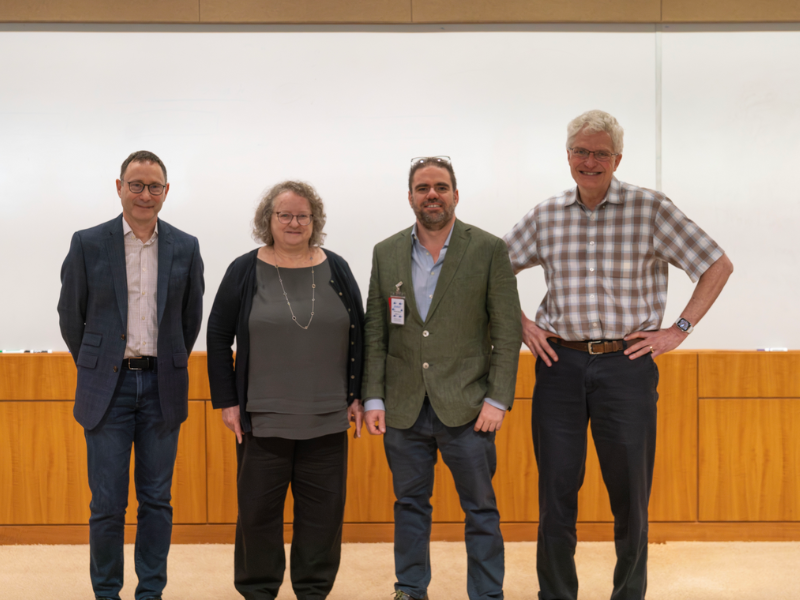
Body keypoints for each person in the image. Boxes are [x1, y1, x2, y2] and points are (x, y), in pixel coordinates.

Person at [505, 110, 734, 600]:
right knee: (556, 495)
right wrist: (522, 324)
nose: (591, 161)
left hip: (626, 367)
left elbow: (716, 264)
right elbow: (491, 272)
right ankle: (557, 595)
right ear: (568, 157)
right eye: (582, 152)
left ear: (617, 159)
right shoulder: (546, 216)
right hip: (558, 366)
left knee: (631, 494)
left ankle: (628, 594)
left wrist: (679, 330)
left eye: (601, 153)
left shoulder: (651, 209)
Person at [363, 156, 522, 600]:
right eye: (422, 187)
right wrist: (373, 398)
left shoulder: (488, 249)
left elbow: (507, 333)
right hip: (403, 408)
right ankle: (410, 589)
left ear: (455, 194)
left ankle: (487, 594)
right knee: (409, 506)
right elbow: (376, 329)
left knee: (480, 511)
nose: (431, 194)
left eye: (440, 186)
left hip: (469, 408)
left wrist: (498, 400)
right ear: (410, 197)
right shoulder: (386, 251)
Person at [206, 180, 364, 600]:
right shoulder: (244, 269)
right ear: (268, 220)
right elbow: (218, 335)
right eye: (285, 215)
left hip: (328, 417)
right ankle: (259, 591)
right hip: (263, 419)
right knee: (258, 515)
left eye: (302, 215)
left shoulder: (338, 268)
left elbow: (361, 335)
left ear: (315, 221)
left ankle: (313, 591)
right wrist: (227, 401)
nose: (294, 223)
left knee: (323, 518)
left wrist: (358, 394)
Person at [58, 150, 204, 600]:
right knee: (107, 504)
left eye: (154, 186)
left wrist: (168, 358)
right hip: (109, 389)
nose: (145, 194)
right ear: (119, 187)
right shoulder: (88, 242)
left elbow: (190, 316)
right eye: (136, 185)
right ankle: (106, 592)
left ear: (166, 191)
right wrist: (98, 365)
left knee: (157, 501)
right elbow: (71, 314)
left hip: (163, 385)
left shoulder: (185, 245)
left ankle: (151, 592)